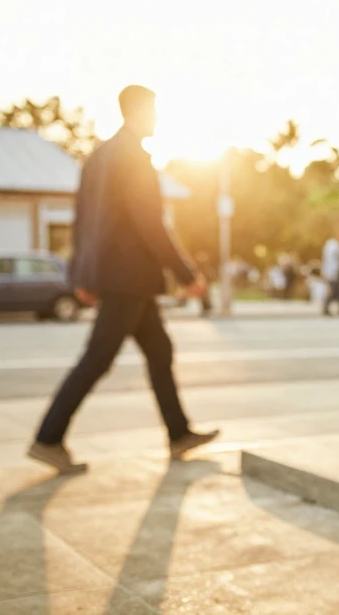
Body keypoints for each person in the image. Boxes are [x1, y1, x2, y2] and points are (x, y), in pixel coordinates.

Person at [28, 85, 220, 474]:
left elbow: (81, 219)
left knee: (160, 353)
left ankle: (179, 434)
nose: (157, 119)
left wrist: (80, 273)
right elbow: (150, 223)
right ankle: (47, 438)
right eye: (154, 111)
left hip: (122, 279)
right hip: (128, 278)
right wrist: (186, 274)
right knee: (97, 359)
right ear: (139, 111)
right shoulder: (132, 157)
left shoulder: (98, 157)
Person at [321, 231, 339, 317]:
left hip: (330, 271)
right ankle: (327, 308)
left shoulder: (328, 245)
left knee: (337, 291)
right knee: (335, 291)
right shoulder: (336, 246)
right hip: (333, 272)